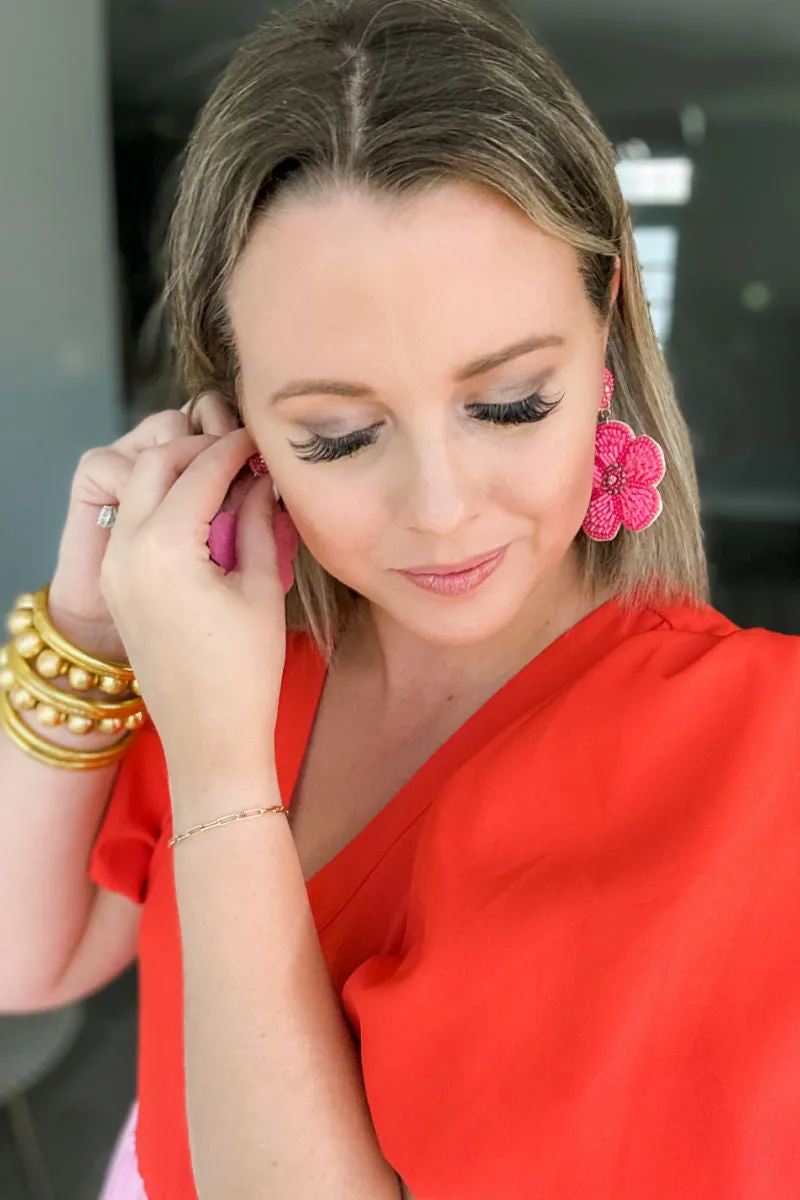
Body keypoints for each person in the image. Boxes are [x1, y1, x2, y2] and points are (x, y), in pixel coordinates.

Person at [1, 0, 799, 1196]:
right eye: (336, 434)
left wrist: (224, 780)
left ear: (606, 332)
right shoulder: (236, 643)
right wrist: (93, 622)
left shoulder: (756, 757)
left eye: (511, 403)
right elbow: (28, 958)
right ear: (232, 417)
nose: (438, 507)